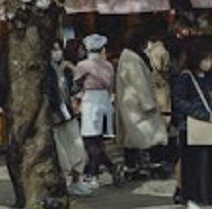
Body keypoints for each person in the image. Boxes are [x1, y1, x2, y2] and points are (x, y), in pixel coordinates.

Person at [115, 30, 168, 177]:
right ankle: (153, 165)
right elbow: (140, 84)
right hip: (137, 105)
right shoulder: (132, 59)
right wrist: (148, 103)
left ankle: (132, 167)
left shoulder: (127, 56)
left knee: (132, 138)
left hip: (130, 104)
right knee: (150, 136)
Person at [74, 33, 122, 188]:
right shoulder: (108, 66)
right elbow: (111, 86)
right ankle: (109, 167)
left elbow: (76, 83)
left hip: (90, 101)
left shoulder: (83, 65)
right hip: (105, 101)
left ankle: (94, 174)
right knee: (98, 140)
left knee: (90, 140)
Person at [171, 43, 212, 209]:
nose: (209, 63)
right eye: (206, 59)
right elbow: (179, 101)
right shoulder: (186, 78)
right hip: (190, 128)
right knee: (193, 165)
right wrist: (202, 114)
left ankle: (205, 198)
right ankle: (191, 199)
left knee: (206, 166)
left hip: (206, 127)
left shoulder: (208, 77)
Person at [47, 41, 91, 196]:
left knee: (77, 148)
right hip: (55, 115)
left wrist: (74, 71)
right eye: (54, 49)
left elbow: (74, 89)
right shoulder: (46, 71)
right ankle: (67, 182)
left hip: (68, 113)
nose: (57, 52)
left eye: (59, 49)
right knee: (62, 153)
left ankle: (77, 180)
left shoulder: (66, 70)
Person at [146, 35, 175, 177]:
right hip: (161, 89)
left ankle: (156, 159)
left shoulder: (151, 51)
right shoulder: (162, 51)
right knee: (164, 123)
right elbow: (163, 67)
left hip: (155, 90)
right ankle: (161, 159)